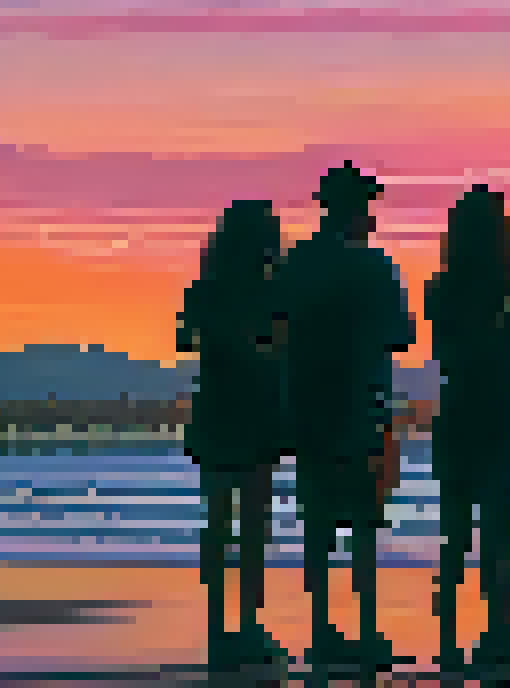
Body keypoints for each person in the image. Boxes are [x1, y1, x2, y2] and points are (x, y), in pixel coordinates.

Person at [279, 163, 416, 673]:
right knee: (362, 524)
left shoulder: (298, 263)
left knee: (317, 524)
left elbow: (274, 326)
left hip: (309, 406)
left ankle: (320, 628)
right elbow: (402, 334)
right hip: (360, 404)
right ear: (359, 210)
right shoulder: (374, 268)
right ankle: (364, 629)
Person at [426, 185, 510, 679]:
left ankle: (446, 641)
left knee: (455, 534)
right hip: (504, 420)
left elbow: (446, 354)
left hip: (459, 414)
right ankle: (497, 634)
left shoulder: (440, 293)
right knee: (497, 535)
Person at [177, 199, 293, 671]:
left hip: (216, 408)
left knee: (219, 520)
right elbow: (284, 346)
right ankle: (248, 623)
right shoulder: (272, 291)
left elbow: (186, 340)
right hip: (257, 410)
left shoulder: (204, 290)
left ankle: (216, 621)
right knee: (252, 526)